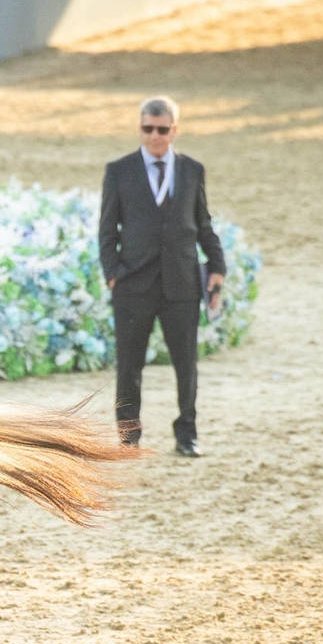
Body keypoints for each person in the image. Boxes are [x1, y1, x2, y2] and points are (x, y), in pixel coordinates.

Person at [98, 96, 226, 457]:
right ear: (140, 129)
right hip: (133, 285)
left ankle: (187, 434)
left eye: (162, 129)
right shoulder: (119, 170)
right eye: (148, 129)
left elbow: (203, 224)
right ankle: (128, 436)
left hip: (182, 284)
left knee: (186, 365)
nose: (155, 136)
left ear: (174, 130)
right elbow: (107, 230)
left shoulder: (192, 170)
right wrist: (113, 275)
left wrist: (217, 266)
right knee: (129, 366)